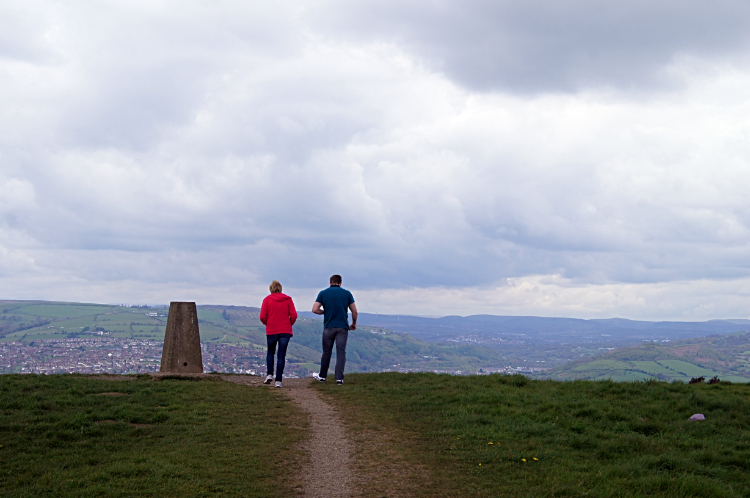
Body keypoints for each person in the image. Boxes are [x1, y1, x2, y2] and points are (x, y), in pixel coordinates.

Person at [311, 274, 357, 385]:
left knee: (326, 352)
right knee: (341, 353)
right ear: (340, 283)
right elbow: (354, 311)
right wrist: (353, 323)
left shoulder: (323, 293)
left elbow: (314, 309)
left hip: (328, 327)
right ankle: (339, 379)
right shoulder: (347, 294)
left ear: (330, 283)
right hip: (342, 327)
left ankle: (322, 376)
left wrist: (325, 312)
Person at [260, 280, 297, 388]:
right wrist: (288, 324)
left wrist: (268, 323)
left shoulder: (267, 300)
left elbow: (262, 316)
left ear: (271, 289)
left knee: (270, 352)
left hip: (271, 330)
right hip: (285, 331)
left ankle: (269, 374)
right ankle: (278, 381)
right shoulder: (288, 300)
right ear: (280, 288)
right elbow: (294, 315)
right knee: (281, 355)